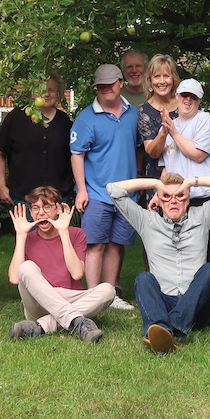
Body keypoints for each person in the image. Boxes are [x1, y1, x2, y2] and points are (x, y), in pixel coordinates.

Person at [107, 173, 210, 353]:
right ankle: (161, 329)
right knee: (143, 278)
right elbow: (113, 190)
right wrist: (155, 184)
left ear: (188, 200)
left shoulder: (202, 217)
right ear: (159, 201)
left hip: (197, 307)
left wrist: (191, 182)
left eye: (180, 196)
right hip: (165, 303)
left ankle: (172, 326)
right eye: (166, 196)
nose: (173, 201)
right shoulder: (147, 221)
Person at [159, 78, 210, 316]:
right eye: (184, 95)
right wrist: (159, 193)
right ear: (177, 97)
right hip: (179, 200)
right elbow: (167, 165)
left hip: (207, 196)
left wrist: (173, 131)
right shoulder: (169, 125)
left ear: (200, 100)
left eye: (193, 97)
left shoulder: (205, 121)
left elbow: (197, 154)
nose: (188, 100)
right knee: (185, 254)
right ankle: (190, 304)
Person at [70, 64, 139, 310]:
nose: (106, 89)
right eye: (101, 85)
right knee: (95, 244)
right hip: (97, 193)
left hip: (127, 194)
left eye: (110, 84)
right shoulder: (86, 118)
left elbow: (138, 149)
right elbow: (77, 155)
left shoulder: (134, 114)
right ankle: (93, 295)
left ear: (121, 83)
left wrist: (138, 181)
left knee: (116, 244)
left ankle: (110, 296)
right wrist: (82, 190)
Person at [7, 187, 115, 343]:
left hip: (69, 298)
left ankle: (41, 326)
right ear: (30, 212)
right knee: (26, 267)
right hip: (38, 302)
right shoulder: (28, 238)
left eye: (47, 207)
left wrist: (63, 232)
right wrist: (21, 235)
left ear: (58, 209)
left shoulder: (77, 234)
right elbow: (15, 278)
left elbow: (76, 273)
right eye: (35, 208)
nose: (41, 213)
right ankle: (77, 321)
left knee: (108, 290)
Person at [0, 71, 73, 206]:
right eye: (41, 90)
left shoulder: (64, 121)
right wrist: (1, 186)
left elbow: (74, 156)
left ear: (58, 93)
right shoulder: (16, 118)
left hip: (58, 200)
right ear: (32, 92)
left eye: (51, 90)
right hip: (24, 199)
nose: (46, 94)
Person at [138, 54, 181, 183]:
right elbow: (153, 152)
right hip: (158, 178)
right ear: (150, 80)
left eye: (166, 76)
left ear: (173, 78)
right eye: (157, 76)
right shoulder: (145, 111)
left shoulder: (185, 102)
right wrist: (164, 132)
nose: (162, 81)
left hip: (188, 172)